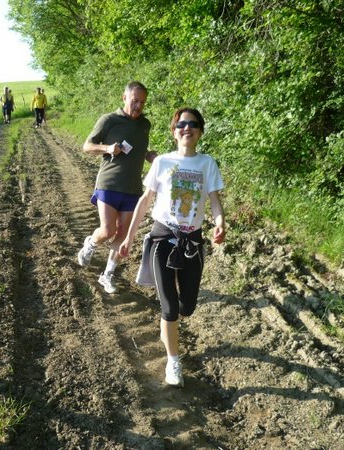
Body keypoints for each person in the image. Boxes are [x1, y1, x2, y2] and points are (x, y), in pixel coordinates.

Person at [119, 107, 225, 387]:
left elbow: (214, 200)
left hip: (193, 241)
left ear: (200, 131)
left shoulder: (207, 164)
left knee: (186, 307)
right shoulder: (162, 162)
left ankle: (170, 326)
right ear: (174, 131)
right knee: (169, 307)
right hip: (163, 239)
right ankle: (173, 361)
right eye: (181, 124)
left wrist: (220, 222)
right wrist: (129, 237)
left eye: (193, 124)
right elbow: (145, 200)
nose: (186, 128)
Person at [77, 81, 157, 294]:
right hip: (109, 183)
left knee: (123, 233)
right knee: (108, 230)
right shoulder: (109, 120)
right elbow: (87, 146)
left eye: (142, 102)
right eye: (135, 101)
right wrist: (107, 148)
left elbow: (138, 148)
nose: (138, 106)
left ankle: (108, 274)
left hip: (133, 187)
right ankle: (91, 244)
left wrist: (149, 156)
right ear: (124, 98)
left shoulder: (145, 124)